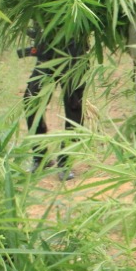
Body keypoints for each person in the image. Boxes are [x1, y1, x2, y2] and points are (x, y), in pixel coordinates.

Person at [22, 34, 90, 179]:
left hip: (74, 54)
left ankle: (66, 163)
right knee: (31, 101)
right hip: (46, 52)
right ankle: (40, 157)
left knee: (74, 106)